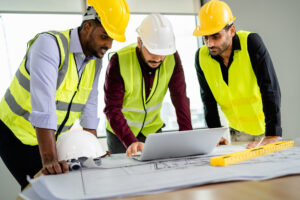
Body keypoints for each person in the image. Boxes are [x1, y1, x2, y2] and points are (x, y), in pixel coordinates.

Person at [0, 0, 130, 190]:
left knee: (66, 186)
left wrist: (93, 152)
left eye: (112, 39)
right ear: (87, 26)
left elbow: (89, 106)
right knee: (41, 191)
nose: (108, 45)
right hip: (14, 133)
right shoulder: (50, 45)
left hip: (48, 137)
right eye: (104, 36)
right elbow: (43, 106)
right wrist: (50, 159)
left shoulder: (95, 61)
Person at [193, 0, 281, 149]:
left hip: (265, 130)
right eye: (205, 38)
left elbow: (270, 88)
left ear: (231, 31)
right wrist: (214, 134)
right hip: (236, 134)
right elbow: (207, 98)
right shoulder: (201, 57)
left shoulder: (251, 43)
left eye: (215, 36)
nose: (210, 44)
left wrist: (272, 133)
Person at [104, 14, 193, 157]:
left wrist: (187, 135)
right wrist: (130, 141)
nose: (158, 58)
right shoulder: (118, 61)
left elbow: (180, 97)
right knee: (124, 176)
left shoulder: (172, 58)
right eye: (153, 50)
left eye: (163, 53)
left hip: (152, 132)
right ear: (139, 42)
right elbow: (112, 109)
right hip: (120, 134)